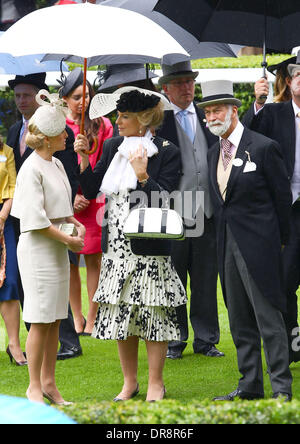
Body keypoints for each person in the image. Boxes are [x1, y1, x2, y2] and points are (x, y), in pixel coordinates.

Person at [74, 87, 186, 402]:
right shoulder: (110, 146)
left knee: (152, 316)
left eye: (124, 116)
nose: (117, 121)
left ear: (143, 119)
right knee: (122, 316)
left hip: (150, 249)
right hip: (116, 249)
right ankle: (130, 383)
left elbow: (166, 199)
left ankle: (155, 383)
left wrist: (142, 176)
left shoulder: (166, 150)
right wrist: (84, 159)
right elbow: (92, 187)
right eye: (118, 115)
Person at [201, 79, 293, 402]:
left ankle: (281, 388)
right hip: (226, 245)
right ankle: (250, 384)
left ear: (234, 110)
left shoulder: (264, 147)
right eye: (208, 111)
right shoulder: (213, 152)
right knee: (239, 320)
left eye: (217, 110)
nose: (211, 116)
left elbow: (283, 203)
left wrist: (278, 243)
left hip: (261, 247)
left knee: (269, 319)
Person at [11, 90, 85, 404]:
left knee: (55, 318)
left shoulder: (54, 163)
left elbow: (61, 207)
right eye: (63, 133)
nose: (68, 136)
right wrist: (68, 238)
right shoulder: (31, 169)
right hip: (39, 249)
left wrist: (74, 222)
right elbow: (36, 220)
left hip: (56, 247)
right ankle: (33, 387)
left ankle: (49, 383)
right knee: (40, 320)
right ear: (50, 136)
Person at [156, 61, 223, 359]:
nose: (187, 88)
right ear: (166, 88)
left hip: (206, 208)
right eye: (180, 82)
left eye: (190, 81)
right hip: (173, 209)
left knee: (206, 278)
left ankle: (206, 340)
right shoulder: (158, 120)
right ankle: (175, 340)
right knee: (173, 278)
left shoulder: (206, 115)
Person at [243, 57, 300, 365]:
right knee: (286, 281)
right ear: (288, 82)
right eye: (297, 74)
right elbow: (245, 134)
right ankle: (292, 346)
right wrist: (258, 101)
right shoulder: (274, 113)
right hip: (289, 211)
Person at [60, 67, 113, 335]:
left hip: (96, 200)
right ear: (66, 99)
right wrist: (73, 196)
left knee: (94, 259)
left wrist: (88, 192)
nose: (84, 101)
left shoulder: (103, 124)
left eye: (88, 95)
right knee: (70, 260)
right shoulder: (59, 124)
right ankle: (77, 316)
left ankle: (93, 316)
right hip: (68, 202)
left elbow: (104, 164)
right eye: (77, 96)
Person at [0, 136, 26, 366]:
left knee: (9, 280)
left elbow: (12, 188)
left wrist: (1, 216)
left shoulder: (5, 151)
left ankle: (14, 345)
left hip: (3, 219)